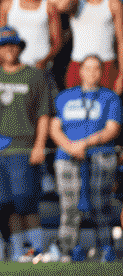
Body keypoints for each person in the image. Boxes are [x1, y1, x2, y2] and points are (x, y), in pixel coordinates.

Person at [0, 26, 53, 262]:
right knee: (6, 205)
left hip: (24, 148)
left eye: (13, 44)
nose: (9, 49)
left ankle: (36, 252)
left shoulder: (35, 76)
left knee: (26, 203)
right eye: (4, 45)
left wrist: (40, 145)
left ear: (19, 47)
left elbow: (43, 114)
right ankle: (21, 253)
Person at [50, 55, 122, 263]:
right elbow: (54, 128)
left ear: (102, 72)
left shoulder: (110, 98)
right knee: (69, 207)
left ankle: (106, 250)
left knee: (101, 205)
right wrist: (70, 146)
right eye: (87, 68)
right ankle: (67, 250)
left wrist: (85, 143)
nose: (92, 73)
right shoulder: (64, 97)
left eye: (96, 69)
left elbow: (112, 129)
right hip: (67, 157)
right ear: (80, 72)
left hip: (100, 156)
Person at [66, 0, 123, 92]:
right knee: (75, 110)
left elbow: (121, 41)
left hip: (106, 65)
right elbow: (61, 4)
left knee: (106, 109)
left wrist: (122, 75)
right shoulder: (75, 1)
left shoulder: (113, 4)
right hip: (78, 64)